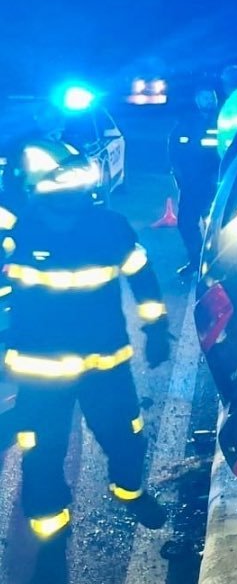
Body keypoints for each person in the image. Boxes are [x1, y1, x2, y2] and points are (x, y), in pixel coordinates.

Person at [0, 139, 171, 542]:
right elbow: (143, 279)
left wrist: (157, 329)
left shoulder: (102, 227)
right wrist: (155, 331)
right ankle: (51, 525)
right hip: (58, 371)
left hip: (94, 366)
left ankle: (124, 493)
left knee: (114, 437)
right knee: (47, 448)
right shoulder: (20, 229)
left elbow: (142, 276)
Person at [169, 88, 219, 277]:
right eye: (204, 97)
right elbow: (174, 147)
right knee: (186, 223)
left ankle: (213, 261)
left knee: (215, 222)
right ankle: (197, 262)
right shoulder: (188, 122)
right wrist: (179, 173)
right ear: (197, 100)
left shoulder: (222, 120)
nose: (208, 101)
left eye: (210, 97)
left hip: (215, 180)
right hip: (192, 182)